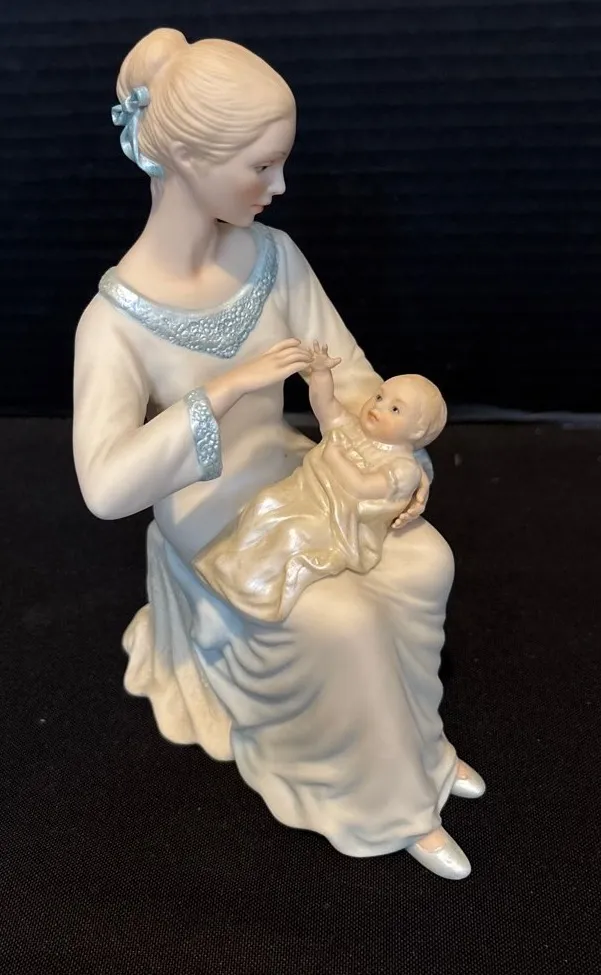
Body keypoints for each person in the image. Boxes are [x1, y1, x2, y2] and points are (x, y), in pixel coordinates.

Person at [73, 28, 485, 880]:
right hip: (213, 509)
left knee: (426, 560)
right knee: (345, 620)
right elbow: (106, 486)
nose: (281, 185)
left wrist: (397, 451)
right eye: (261, 165)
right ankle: (389, 804)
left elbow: (351, 372)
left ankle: (420, 748)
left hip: (311, 475)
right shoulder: (113, 323)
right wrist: (222, 391)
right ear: (189, 158)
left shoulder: (273, 258)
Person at [195, 344, 447, 624]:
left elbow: (362, 487)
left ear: (417, 431)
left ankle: (253, 593)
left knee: (293, 532)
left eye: (395, 409)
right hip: (306, 493)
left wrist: (335, 457)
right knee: (265, 503)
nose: (378, 406)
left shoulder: (404, 469)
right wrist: (321, 373)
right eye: (379, 396)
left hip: (342, 523)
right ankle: (228, 568)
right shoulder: (353, 428)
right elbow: (325, 406)